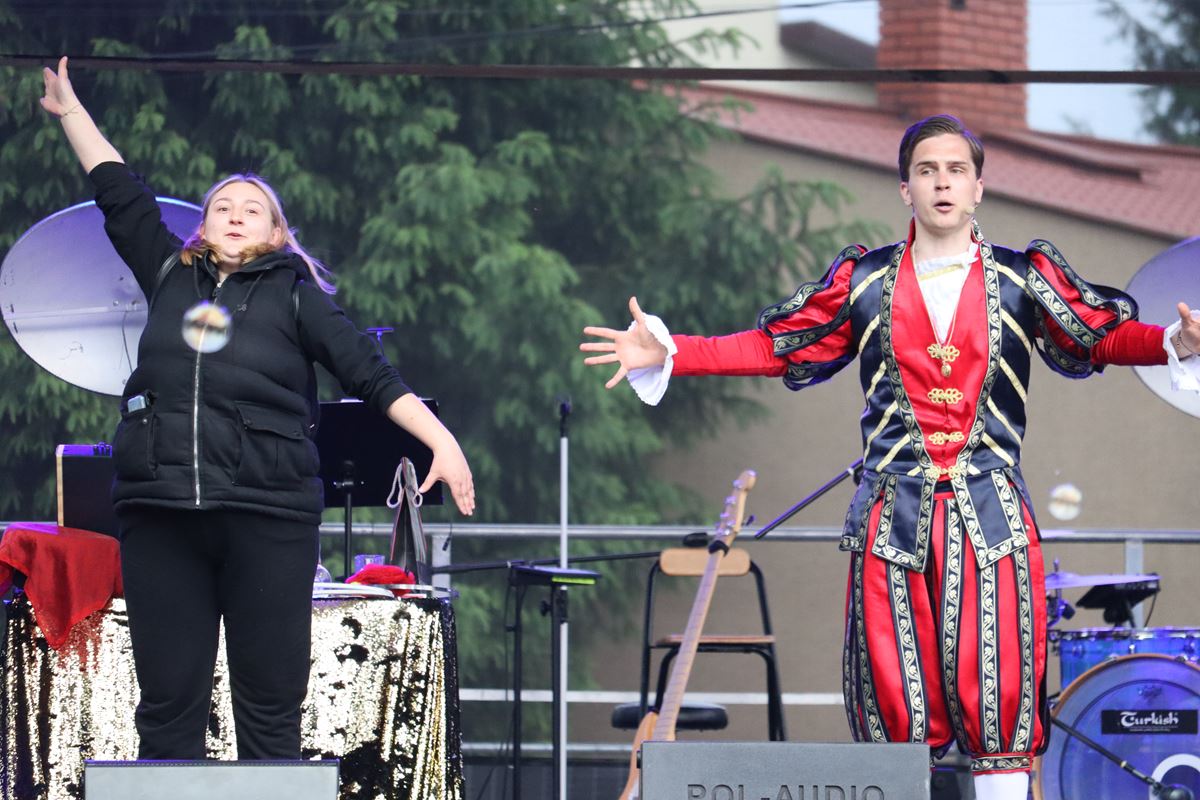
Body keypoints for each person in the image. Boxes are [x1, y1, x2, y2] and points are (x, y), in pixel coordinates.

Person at [581, 114, 1200, 800]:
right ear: (906, 188)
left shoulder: (1022, 280)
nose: (942, 183)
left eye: (956, 170)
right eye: (927, 171)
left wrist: (1174, 341)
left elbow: (1096, 334)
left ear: (978, 187)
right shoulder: (865, 282)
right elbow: (778, 346)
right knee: (895, 706)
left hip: (991, 520)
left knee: (997, 697)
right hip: (891, 521)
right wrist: (674, 352)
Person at [41, 56, 475, 761]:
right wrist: (72, 115)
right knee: (167, 710)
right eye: (222, 207)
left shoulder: (296, 296)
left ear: (275, 234)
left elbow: (369, 373)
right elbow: (120, 194)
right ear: (202, 228)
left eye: (252, 210)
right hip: (162, 515)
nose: (236, 215)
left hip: (268, 518)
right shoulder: (168, 272)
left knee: (271, 713)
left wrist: (442, 443)